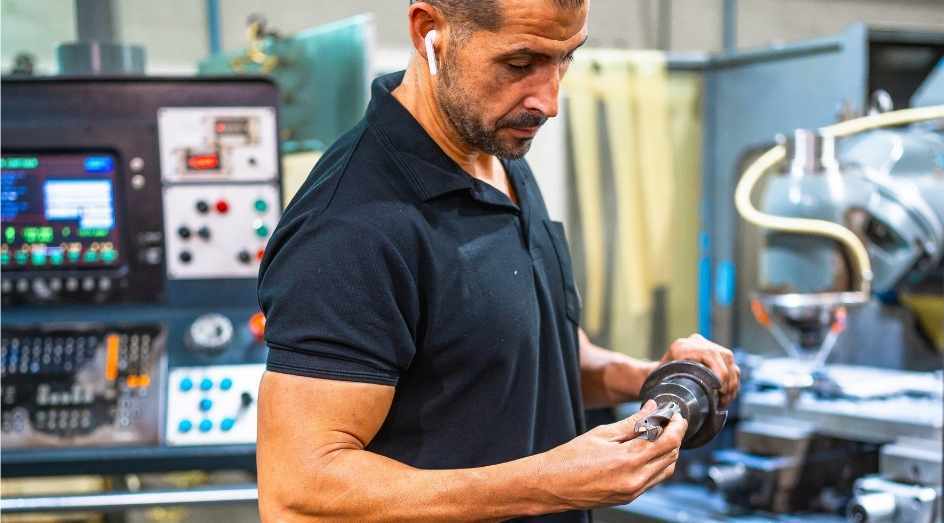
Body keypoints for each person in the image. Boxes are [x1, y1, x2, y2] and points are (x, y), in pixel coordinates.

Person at [256, 1, 740, 520]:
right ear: (429, 32)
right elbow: (299, 491)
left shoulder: (494, 154)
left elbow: (520, 354)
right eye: (519, 63)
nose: (549, 100)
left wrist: (645, 377)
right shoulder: (350, 227)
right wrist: (544, 483)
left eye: (566, 59)